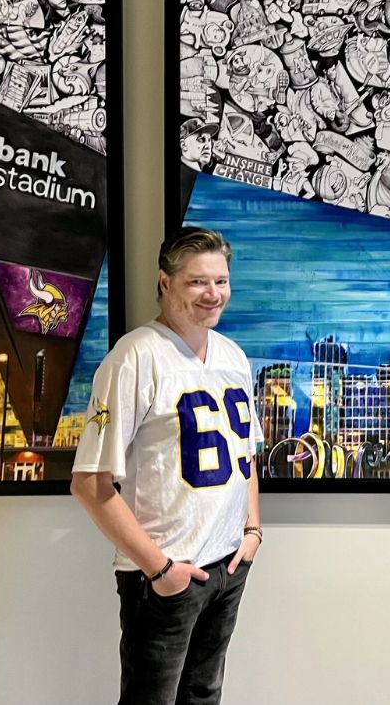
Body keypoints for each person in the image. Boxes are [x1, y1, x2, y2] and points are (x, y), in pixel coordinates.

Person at [71, 226, 262, 705]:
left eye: (220, 280)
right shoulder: (135, 357)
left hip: (226, 566)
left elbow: (247, 456)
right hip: (164, 576)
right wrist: (159, 570)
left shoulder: (233, 356)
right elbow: (89, 483)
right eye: (197, 281)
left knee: (203, 696)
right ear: (165, 282)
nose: (212, 294)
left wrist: (253, 531)